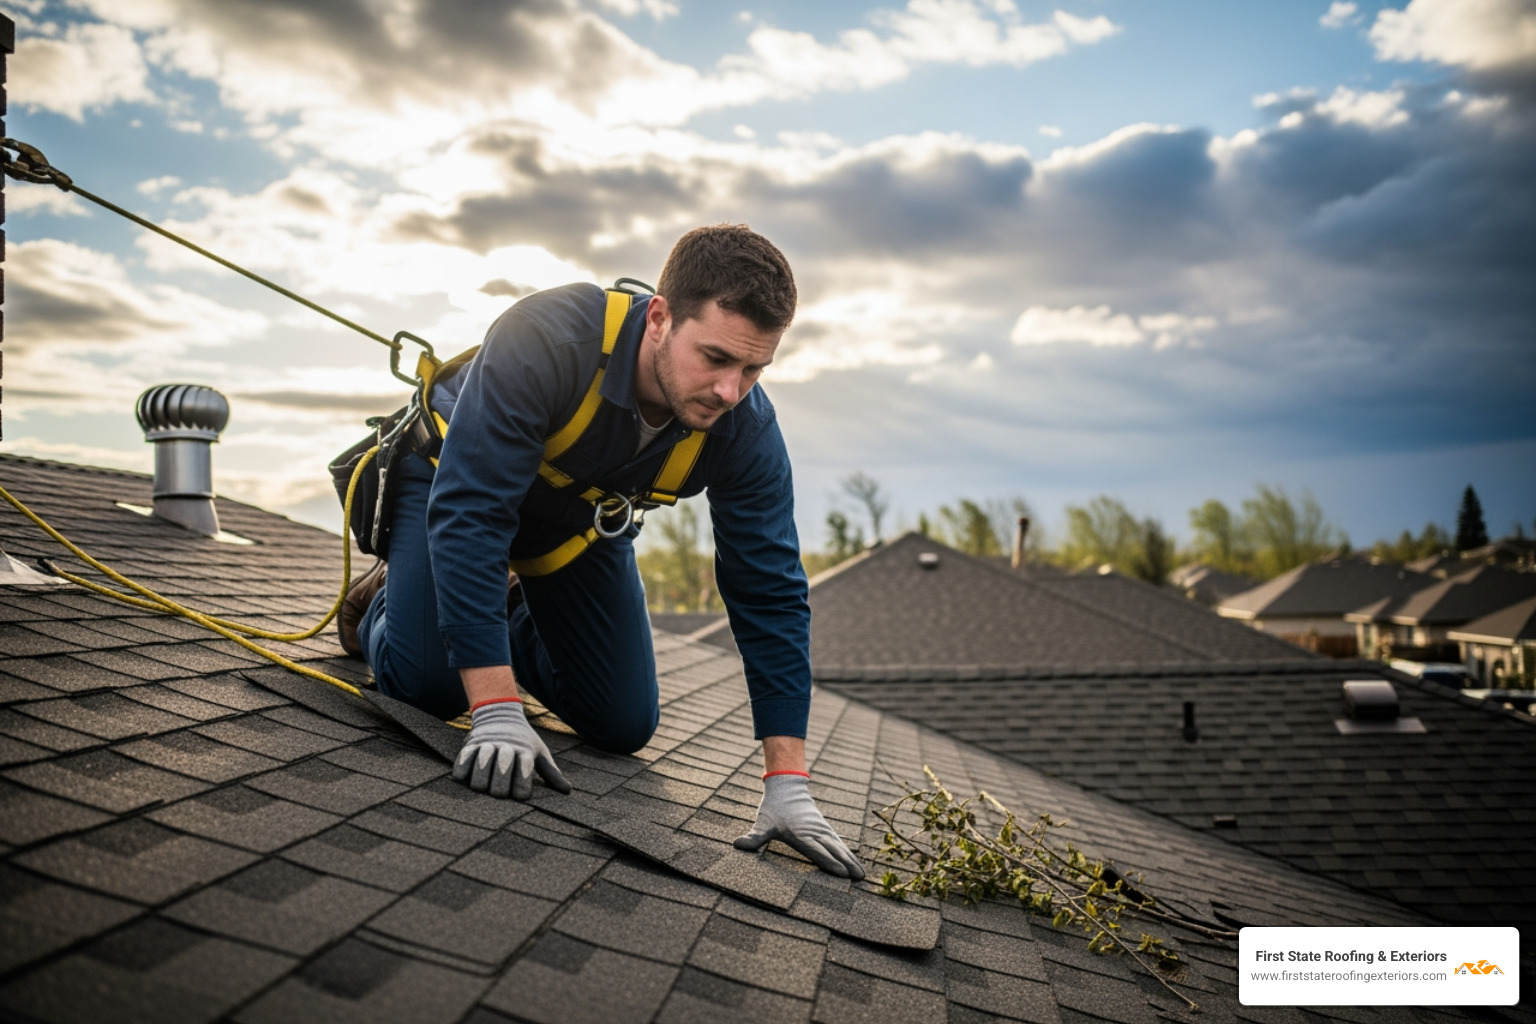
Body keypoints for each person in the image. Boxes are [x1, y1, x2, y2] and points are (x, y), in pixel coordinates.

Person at [341, 224, 864, 879]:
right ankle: (388, 597)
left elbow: (771, 591)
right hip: (451, 486)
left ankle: (496, 605)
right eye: (714, 357)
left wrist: (787, 777)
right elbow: (473, 513)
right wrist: (499, 708)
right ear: (659, 318)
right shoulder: (547, 337)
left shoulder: (744, 427)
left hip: (572, 523)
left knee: (620, 723)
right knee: (429, 686)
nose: (730, 390)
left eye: (753, 368)